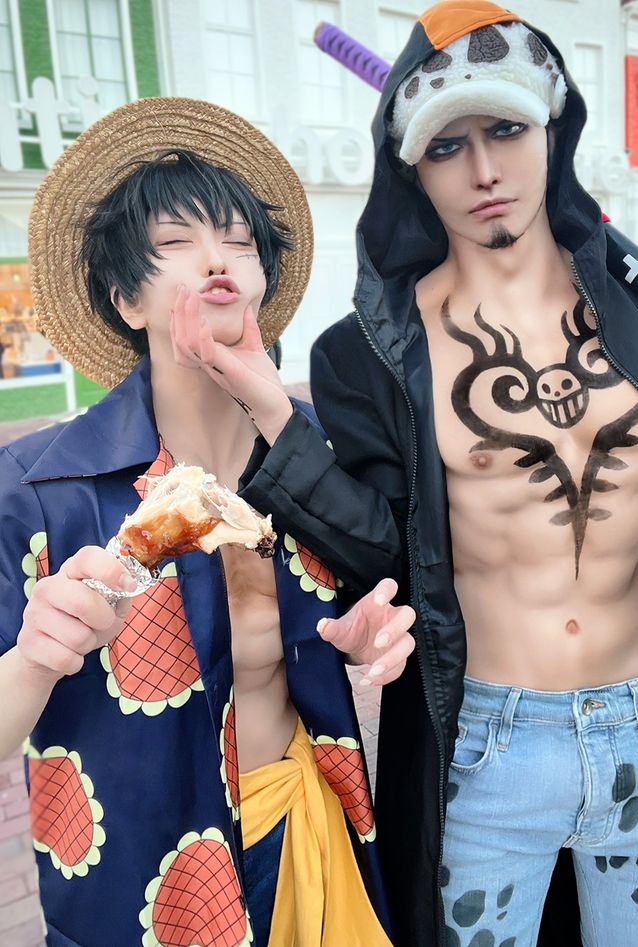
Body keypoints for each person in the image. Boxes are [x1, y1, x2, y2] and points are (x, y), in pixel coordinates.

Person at [171, 5, 638, 947]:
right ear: (410, 168)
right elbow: (386, 548)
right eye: (447, 146)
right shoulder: (372, 354)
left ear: (553, 130)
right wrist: (271, 406)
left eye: (507, 130)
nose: (483, 171)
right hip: (489, 744)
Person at [0, 97, 417, 947]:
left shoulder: (304, 462)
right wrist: (37, 655)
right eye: (176, 244)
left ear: (264, 278)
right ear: (125, 299)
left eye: (238, 240)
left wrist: (372, 637)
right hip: (144, 879)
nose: (216, 258)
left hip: (306, 826)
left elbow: (384, 562)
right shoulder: (42, 488)